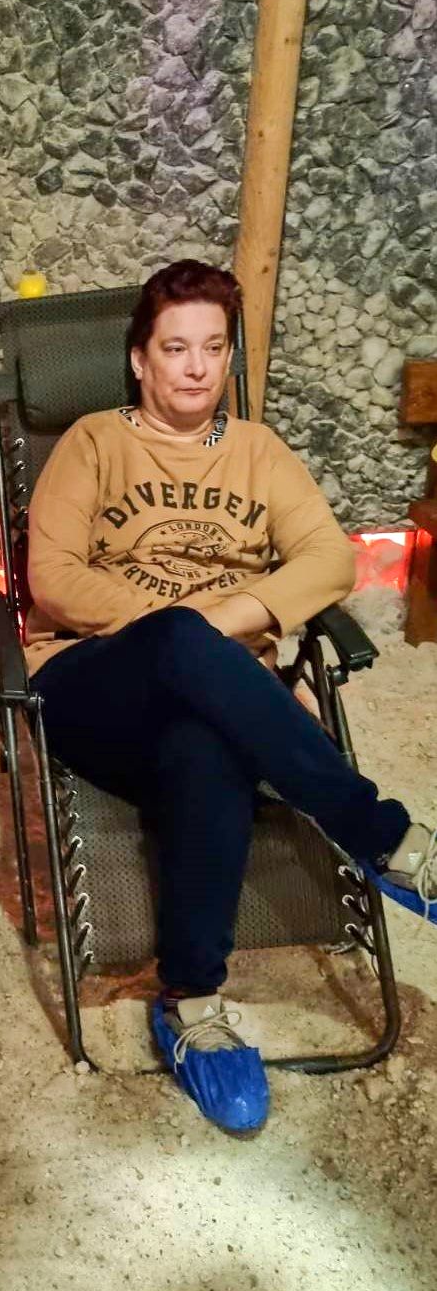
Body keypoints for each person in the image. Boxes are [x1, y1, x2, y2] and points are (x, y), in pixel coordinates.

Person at [25, 259, 436, 1134]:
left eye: (212, 347)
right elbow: (52, 577)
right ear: (139, 359)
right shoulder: (93, 441)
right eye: (175, 347)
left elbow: (329, 560)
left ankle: (190, 1001)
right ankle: (380, 835)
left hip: (216, 698)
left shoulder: (257, 450)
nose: (195, 366)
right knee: (181, 644)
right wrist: (185, 630)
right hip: (94, 680)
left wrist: (215, 631)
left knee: (205, 745)